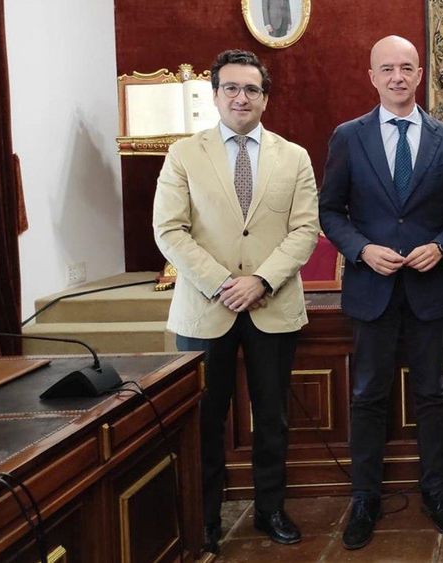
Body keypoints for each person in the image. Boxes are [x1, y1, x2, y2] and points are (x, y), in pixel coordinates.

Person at [153, 49, 318, 553]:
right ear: (216, 94)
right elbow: (169, 229)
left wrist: (261, 281)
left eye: (251, 89)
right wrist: (224, 282)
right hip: (206, 308)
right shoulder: (185, 154)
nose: (241, 97)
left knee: (272, 417)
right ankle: (205, 516)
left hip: (272, 305)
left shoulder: (294, 156)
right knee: (205, 419)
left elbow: (305, 229)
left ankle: (270, 509)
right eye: (231, 88)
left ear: (265, 98)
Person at [318, 35, 443, 549]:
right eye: (388, 69)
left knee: (434, 393)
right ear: (372, 77)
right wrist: (361, 250)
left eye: (407, 68)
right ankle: (365, 498)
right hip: (371, 287)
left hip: (428, 287)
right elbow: (330, 211)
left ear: (419, 74)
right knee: (367, 395)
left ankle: (437, 491)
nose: (398, 77)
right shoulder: (347, 137)